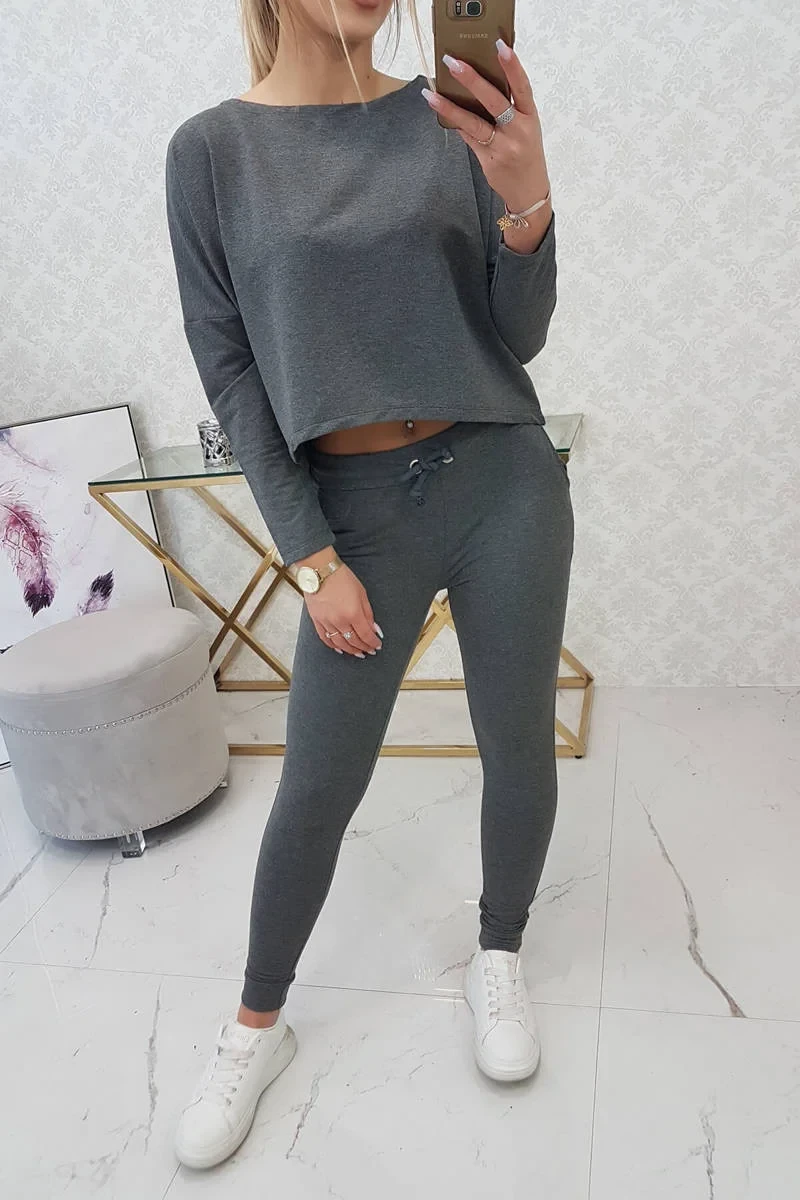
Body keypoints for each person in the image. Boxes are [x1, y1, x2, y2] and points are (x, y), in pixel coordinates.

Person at [165, 0, 573, 1170]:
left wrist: (527, 202)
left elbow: (517, 336)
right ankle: (256, 1025)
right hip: (351, 518)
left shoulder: (447, 117)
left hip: (501, 478)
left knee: (516, 743)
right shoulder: (211, 153)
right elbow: (231, 371)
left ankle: (497, 953)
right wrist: (309, 553)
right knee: (315, 787)